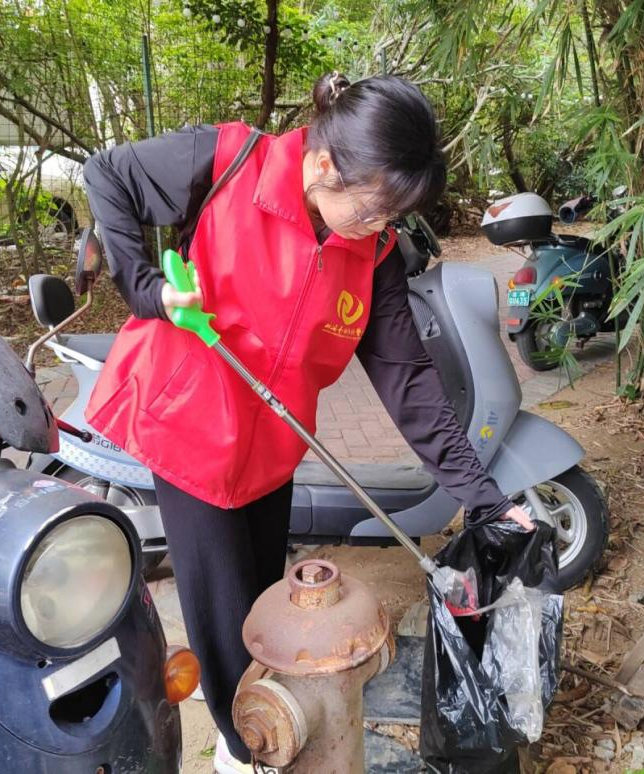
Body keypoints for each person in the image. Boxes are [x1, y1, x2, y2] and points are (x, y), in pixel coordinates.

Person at [83, 72, 534, 774]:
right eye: (374, 209)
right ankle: (244, 751)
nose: (380, 228)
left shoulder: (373, 251)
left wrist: (487, 499)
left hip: (275, 440)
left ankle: (271, 730)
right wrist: (146, 289)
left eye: (393, 217)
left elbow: (410, 382)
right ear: (323, 164)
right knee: (225, 623)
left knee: (268, 598)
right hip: (189, 426)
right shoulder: (226, 160)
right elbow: (106, 173)